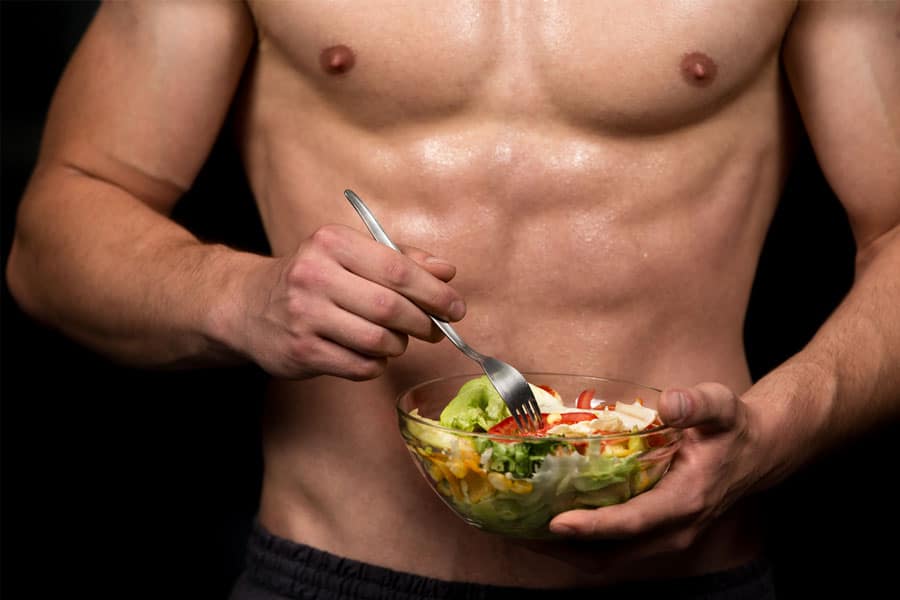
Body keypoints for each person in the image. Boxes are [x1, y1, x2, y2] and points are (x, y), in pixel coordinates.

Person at [5, 0, 898, 598]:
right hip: (338, 568)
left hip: (690, 572)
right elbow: (56, 230)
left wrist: (777, 435)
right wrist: (241, 295)